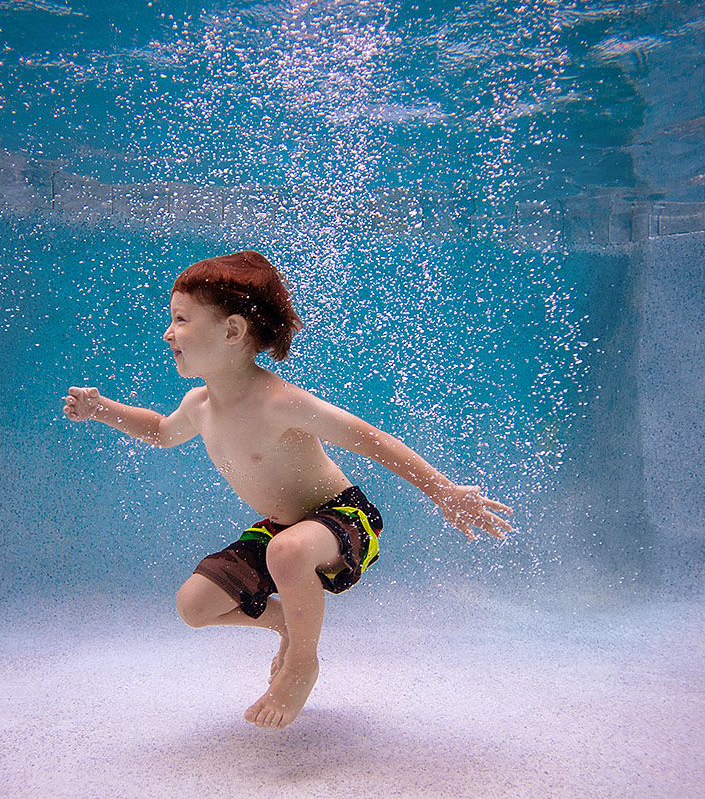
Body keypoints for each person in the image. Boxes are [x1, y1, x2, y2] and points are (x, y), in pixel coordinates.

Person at [62, 250, 512, 730]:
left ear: (232, 331)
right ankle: (285, 623)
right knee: (194, 605)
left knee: (289, 550)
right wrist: (102, 410)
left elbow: (372, 440)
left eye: (181, 319)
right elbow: (159, 431)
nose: (168, 333)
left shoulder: (280, 402)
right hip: (281, 530)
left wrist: (443, 491)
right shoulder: (198, 404)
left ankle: (302, 663)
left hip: (343, 519)